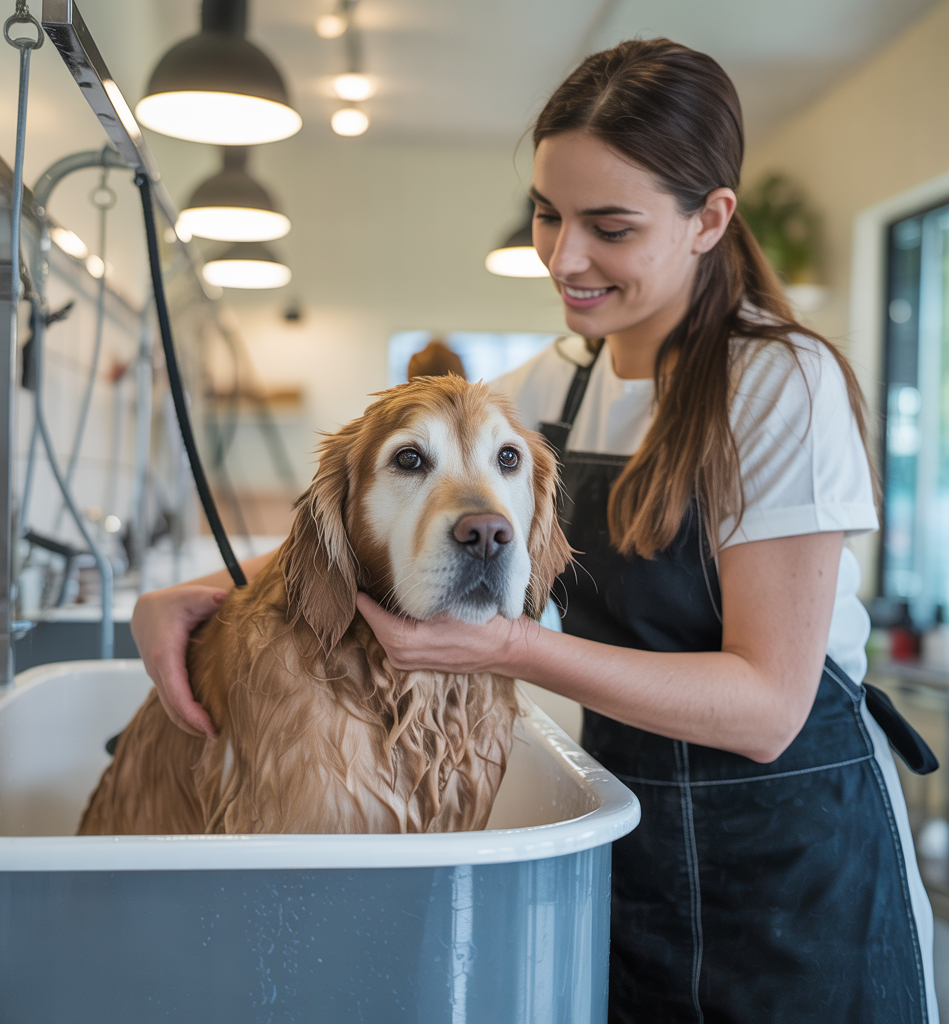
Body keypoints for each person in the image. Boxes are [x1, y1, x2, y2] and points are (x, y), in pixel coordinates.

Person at [131, 39, 937, 1024]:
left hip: (796, 863)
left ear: (708, 220)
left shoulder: (779, 384)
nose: (562, 257)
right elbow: (401, 518)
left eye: (610, 226)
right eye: (548, 215)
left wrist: (512, 646)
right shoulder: (553, 385)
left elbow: (767, 705)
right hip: (627, 836)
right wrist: (211, 589)